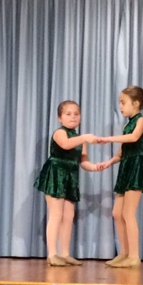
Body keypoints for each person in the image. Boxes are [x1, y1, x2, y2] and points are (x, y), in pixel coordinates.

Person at [34, 100, 99, 266]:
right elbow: (65, 144)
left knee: (69, 216)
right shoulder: (60, 133)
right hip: (56, 173)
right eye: (68, 114)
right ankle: (52, 254)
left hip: (71, 176)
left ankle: (64, 253)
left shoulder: (80, 139)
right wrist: (84, 137)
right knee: (56, 214)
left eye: (76, 114)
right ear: (60, 118)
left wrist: (95, 167)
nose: (73, 117)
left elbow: (84, 161)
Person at [97, 86, 143, 268]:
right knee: (117, 213)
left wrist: (109, 138)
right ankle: (124, 252)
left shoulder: (141, 121)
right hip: (126, 167)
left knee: (128, 213)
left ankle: (134, 256)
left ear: (136, 104)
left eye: (123, 103)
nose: (120, 106)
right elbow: (121, 153)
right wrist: (109, 162)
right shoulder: (127, 124)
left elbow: (133, 138)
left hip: (135, 167)